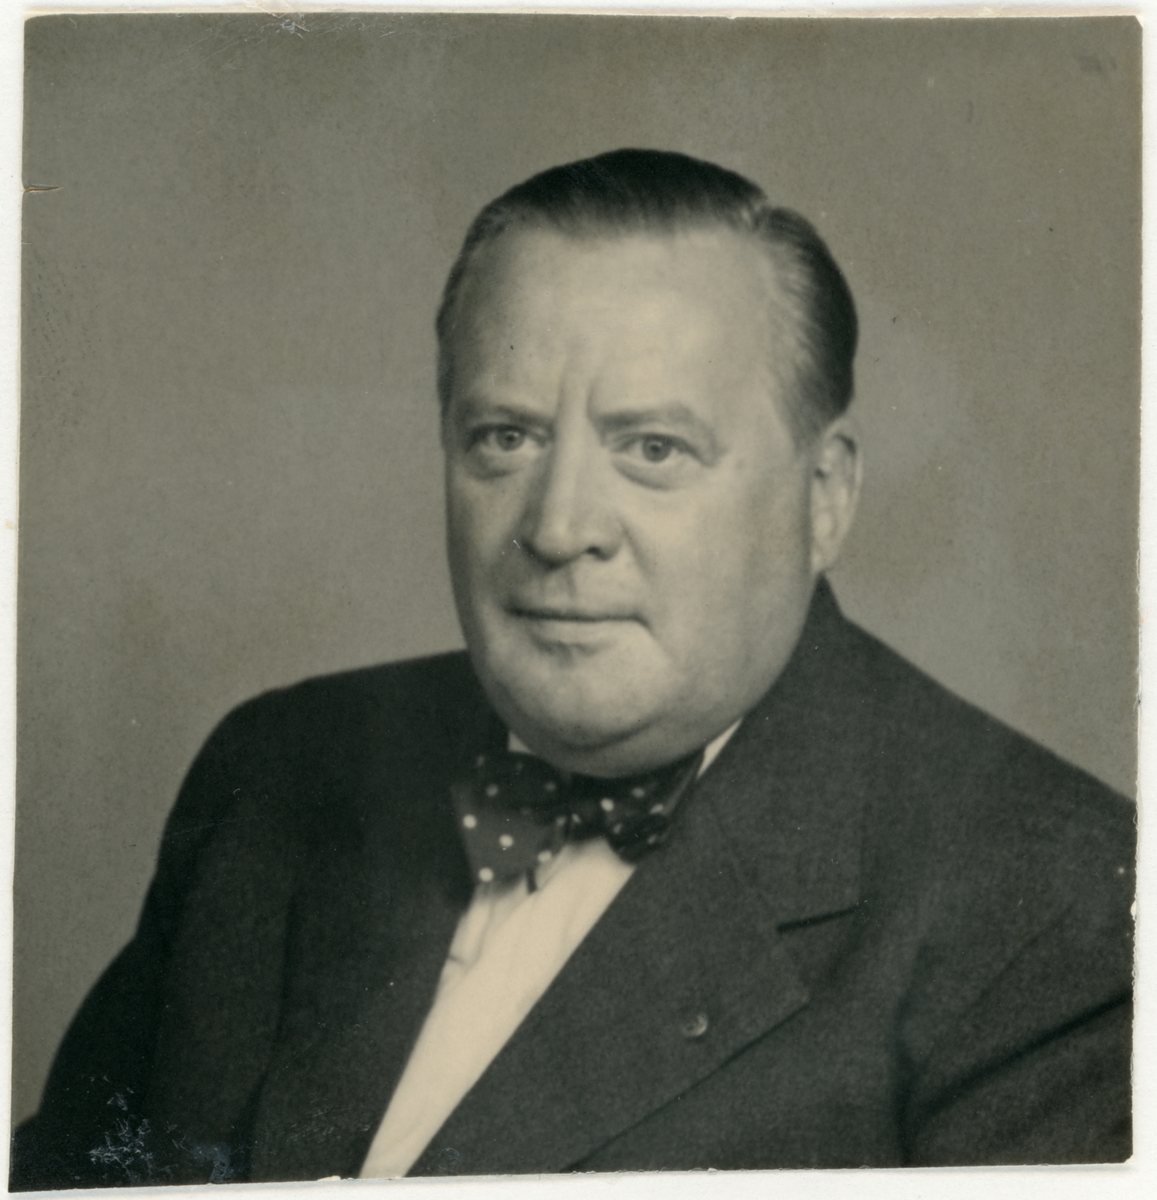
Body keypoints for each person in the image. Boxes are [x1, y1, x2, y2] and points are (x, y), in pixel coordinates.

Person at [10, 149, 1134, 1189]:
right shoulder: (279, 770)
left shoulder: (1058, 909)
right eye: (505, 437)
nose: (557, 527)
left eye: (653, 449)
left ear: (824, 496)